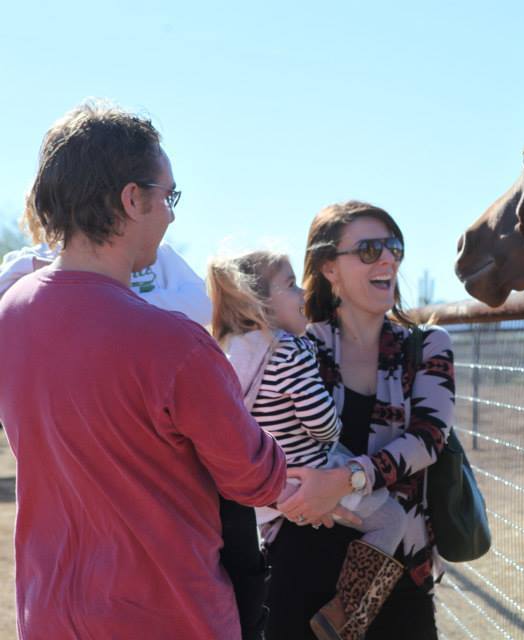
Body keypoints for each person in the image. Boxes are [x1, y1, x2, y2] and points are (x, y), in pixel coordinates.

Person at [0, 101, 307, 639]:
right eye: (168, 197)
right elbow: (255, 478)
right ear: (132, 199)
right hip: (169, 618)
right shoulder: (175, 344)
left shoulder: (10, 315)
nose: (170, 214)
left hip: (48, 617)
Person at [264, 201, 456, 640]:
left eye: (394, 247)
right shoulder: (291, 346)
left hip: (395, 573)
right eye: (370, 250)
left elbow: (429, 437)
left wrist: (348, 478)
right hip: (298, 563)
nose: (388, 259)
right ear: (329, 267)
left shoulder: (427, 346)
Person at [206, 250, 408, 639]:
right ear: (260, 302)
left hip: (267, 488)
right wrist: (334, 426)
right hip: (311, 472)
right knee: (391, 520)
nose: (302, 292)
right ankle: (348, 614)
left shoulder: (228, 350)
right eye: (290, 284)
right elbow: (321, 424)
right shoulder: (289, 349)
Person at [0, 241, 212, 324]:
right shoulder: (28, 260)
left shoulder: (158, 254)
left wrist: (114, 303)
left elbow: (205, 305)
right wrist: (31, 265)